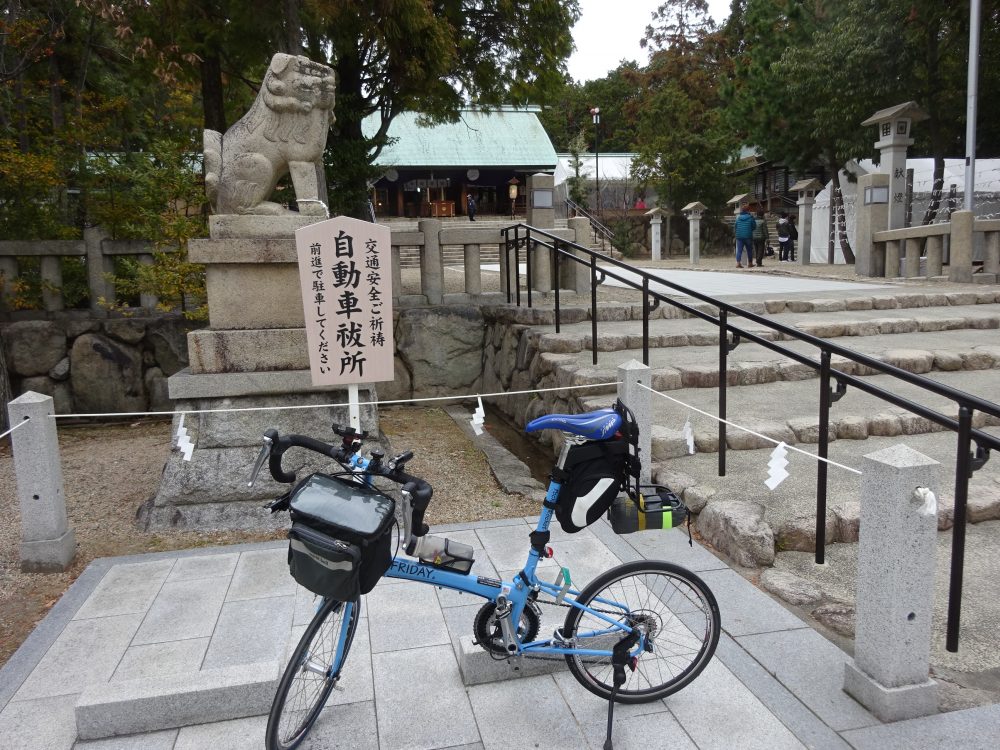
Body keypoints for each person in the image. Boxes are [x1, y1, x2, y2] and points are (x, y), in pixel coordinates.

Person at [734, 204, 755, 269]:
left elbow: (735, 226)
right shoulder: (751, 218)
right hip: (748, 236)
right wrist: (749, 230)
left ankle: (738, 263)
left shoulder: (738, 218)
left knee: (739, 250)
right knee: (749, 250)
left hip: (739, 236)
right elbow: (754, 226)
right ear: (748, 210)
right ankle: (750, 263)